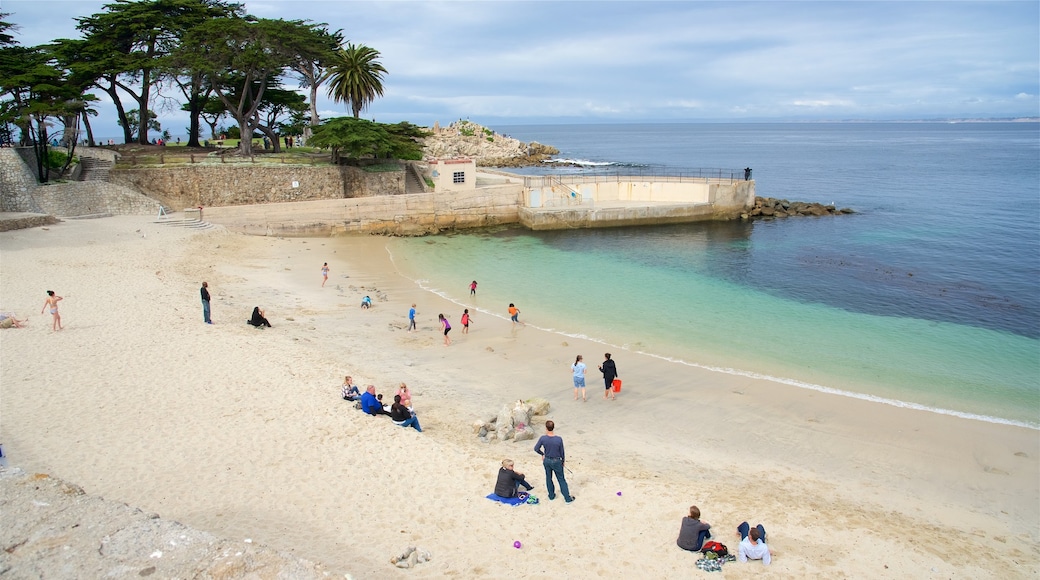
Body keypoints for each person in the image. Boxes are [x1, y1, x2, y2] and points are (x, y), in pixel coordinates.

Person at [533, 420, 574, 502]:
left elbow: (536, 448)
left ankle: (551, 496)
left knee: (548, 478)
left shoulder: (543, 438)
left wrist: (542, 454)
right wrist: (563, 461)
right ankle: (567, 498)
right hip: (556, 461)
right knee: (561, 479)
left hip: (547, 460)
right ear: (553, 427)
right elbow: (562, 452)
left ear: (546, 428)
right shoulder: (558, 439)